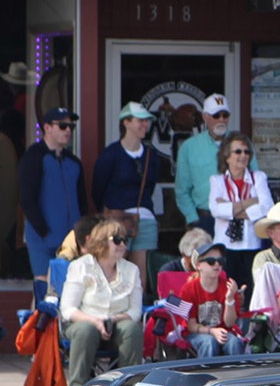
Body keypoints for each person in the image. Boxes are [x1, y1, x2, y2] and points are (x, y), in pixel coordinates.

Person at [59, 219, 143, 386]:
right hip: (83, 321)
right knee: (85, 331)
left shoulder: (131, 270)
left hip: (117, 322)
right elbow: (68, 309)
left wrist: (112, 320)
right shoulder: (80, 266)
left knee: (132, 329)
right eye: (117, 239)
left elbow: (135, 311)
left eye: (125, 240)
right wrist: (96, 322)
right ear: (101, 241)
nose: (122, 244)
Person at [92, 101, 167, 278]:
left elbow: (151, 186)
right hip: (116, 220)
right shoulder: (110, 154)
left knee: (139, 277)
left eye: (147, 121)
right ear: (126, 122)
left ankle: (136, 305)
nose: (145, 124)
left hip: (146, 219)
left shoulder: (151, 155)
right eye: (140, 120)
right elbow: (97, 189)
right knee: (114, 272)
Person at [18, 107, 87, 279]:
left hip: (71, 239)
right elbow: (27, 199)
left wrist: (81, 232)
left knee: (71, 286)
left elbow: (82, 201)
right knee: (43, 286)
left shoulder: (74, 162)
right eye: (62, 126)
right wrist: (43, 231)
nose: (68, 130)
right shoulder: (34, 157)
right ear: (47, 127)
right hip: (43, 238)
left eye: (71, 126)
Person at [176, 94, 254, 232]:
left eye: (225, 115)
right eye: (216, 115)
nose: (221, 120)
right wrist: (193, 219)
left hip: (238, 217)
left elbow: (254, 179)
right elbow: (182, 189)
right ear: (205, 117)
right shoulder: (189, 147)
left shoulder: (243, 143)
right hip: (204, 219)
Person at [207, 131, 271, 286]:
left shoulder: (259, 177)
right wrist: (250, 202)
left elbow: (267, 207)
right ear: (227, 156)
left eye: (246, 151)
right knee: (226, 290)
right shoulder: (217, 181)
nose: (243, 155)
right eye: (238, 151)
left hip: (251, 245)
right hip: (225, 247)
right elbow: (215, 210)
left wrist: (230, 208)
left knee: (250, 291)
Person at [178, 239, 246, 359]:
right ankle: (205, 376)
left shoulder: (228, 286)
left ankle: (237, 376)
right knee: (208, 342)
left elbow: (230, 323)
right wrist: (211, 331)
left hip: (223, 331)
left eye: (220, 261)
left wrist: (229, 299)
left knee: (234, 342)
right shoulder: (188, 289)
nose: (217, 265)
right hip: (196, 332)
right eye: (211, 261)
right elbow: (190, 325)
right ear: (198, 265)